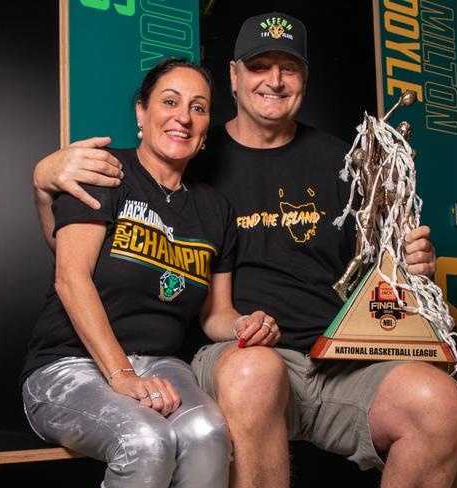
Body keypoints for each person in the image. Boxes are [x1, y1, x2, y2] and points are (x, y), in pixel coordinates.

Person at [32, 12, 457, 488]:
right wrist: (42, 182)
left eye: (290, 68)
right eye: (260, 66)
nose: (275, 81)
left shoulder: (345, 163)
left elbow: (378, 266)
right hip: (244, 363)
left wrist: (405, 266)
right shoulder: (191, 153)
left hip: (338, 362)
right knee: (253, 371)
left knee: (439, 403)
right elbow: (74, 259)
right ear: (235, 76)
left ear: (305, 79)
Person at [20, 57, 281, 488]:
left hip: (161, 364)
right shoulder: (103, 172)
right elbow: (70, 278)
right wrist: (122, 374)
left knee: (208, 434)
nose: (184, 116)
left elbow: (215, 314)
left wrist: (247, 325)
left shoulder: (216, 209)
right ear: (142, 112)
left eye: (198, 107)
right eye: (170, 101)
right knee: (146, 440)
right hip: (68, 365)